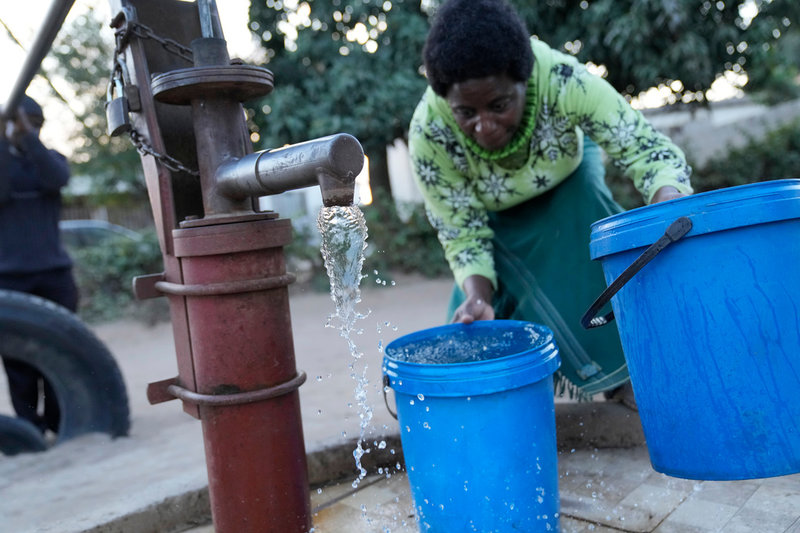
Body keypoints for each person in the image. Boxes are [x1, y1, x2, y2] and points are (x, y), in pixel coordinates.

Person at [408, 0, 692, 405]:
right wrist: (478, 297)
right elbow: (461, 231)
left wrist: (668, 207)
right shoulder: (429, 131)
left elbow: (645, 149)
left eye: (499, 105)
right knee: (472, 333)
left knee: (584, 250)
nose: (484, 127)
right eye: (466, 113)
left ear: (526, 80)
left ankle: (627, 375)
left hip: (568, 176)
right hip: (493, 208)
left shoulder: (562, 79)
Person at [0, 94, 77, 435]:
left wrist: (28, 137)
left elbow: (57, 179)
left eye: (34, 124)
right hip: (9, 279)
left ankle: (60, 425)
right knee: (18, 361)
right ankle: (30, 429)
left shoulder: (50, 160)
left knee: (61, 354)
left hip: (54, 276)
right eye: (22, 123)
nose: (27, 129)